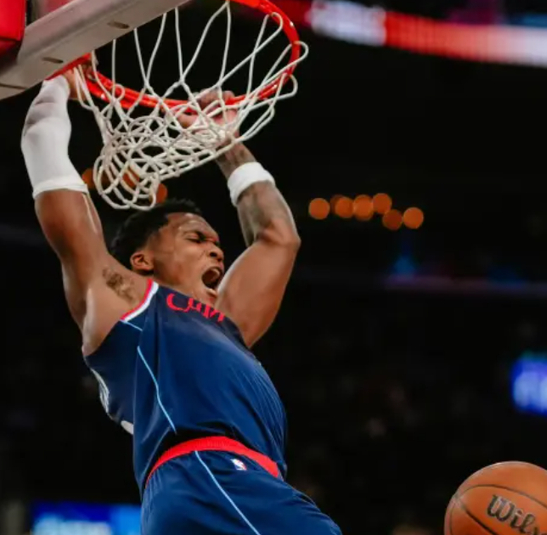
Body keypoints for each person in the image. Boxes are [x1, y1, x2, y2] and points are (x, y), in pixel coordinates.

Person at [21, 68, 341, 535]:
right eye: (196, 238)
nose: (217, 250)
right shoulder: (125, 301)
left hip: (239, 485)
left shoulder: (226, 323)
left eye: (216, 243)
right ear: (142, 260)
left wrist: (224, 141)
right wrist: (58, 82)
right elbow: (42, 148)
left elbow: (278, 238)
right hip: (208, 477)